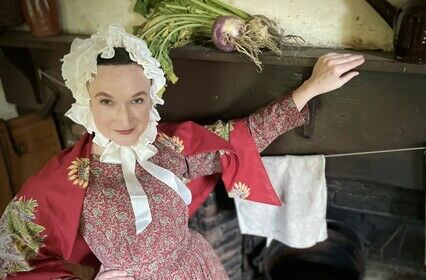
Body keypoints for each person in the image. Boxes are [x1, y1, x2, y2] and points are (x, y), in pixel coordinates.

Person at [0, 25, 364, 279]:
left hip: (198, 268)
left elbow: (240, 137)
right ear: (85, 101)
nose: (125, 117)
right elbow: (10, 257)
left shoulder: (169, 146)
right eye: (106, 101)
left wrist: (313, 87)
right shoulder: (65, 179)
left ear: (152, 97)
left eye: (137, 99)